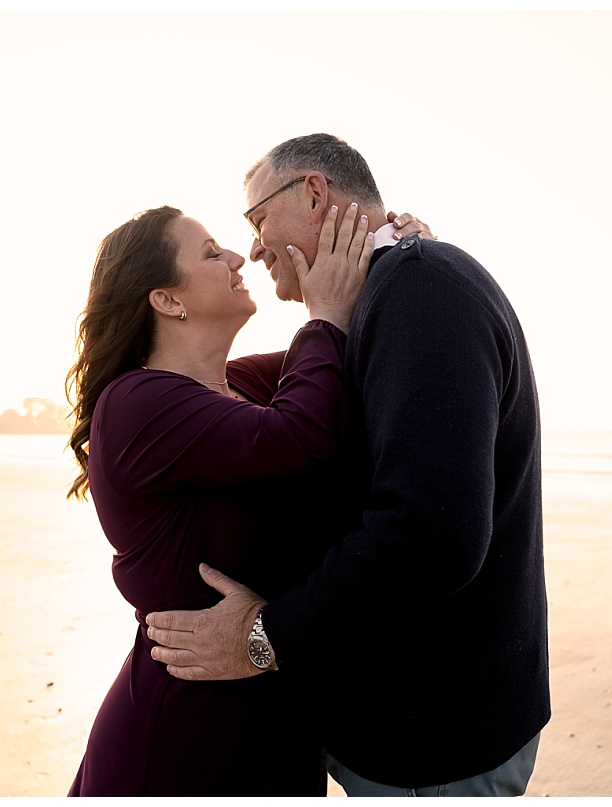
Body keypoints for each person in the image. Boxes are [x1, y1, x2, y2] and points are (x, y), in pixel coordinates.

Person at [146, 133, 551, 797]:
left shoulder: (421, 290)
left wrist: (263, 637)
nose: (252, 247)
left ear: (313, 193)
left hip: (433, 745)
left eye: (256, 220)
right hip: (404, 730)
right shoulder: (386, 297)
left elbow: (431, 534)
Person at [64, 203, 432, 796]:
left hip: (278, 729)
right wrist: (323, 313)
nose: (239, 257)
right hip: (184, 743)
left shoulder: (245, 387)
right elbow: (305, 433)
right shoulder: (136, 403)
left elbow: (358, 357)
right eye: (211, 253)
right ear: (166, 300)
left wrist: (401, 255)